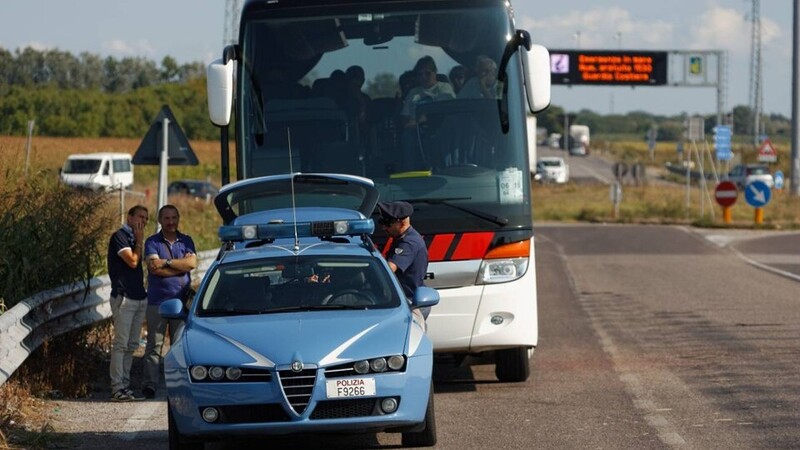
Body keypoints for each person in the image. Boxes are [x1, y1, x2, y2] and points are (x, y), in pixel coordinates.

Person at [143, 205, 197, 399]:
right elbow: (153, 268)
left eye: (174, 217)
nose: (171, 222)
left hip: (181, 302)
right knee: (154, 346)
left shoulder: (186, 240)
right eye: (167, 218)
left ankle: (178, 384)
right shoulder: (152, 242)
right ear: (160, 220)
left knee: (179, 346)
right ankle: (150, 384)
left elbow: (191, 264)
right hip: (157, 301)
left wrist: (166, 262)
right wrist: (179, 267)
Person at [107, 205, 149, 402]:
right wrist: (139, 242)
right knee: (121, 344)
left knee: (132, 344)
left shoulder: (134, 239)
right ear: (129, 217)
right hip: (124, 297)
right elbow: (132, 261)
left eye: (146, 219)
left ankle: (125, 385)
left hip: (139, 296)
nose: (143, 221)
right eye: (140, 217)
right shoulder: (120, 237)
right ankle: (117, 387)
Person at [376, 201, 430, 317]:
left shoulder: (409, 243)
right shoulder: (399, 238)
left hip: (410, 303)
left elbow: (389, 269)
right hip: (404, 300)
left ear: (402, 223)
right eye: (382, 222)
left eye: (387, 223)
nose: (383, 227)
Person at [401, 56, 455, 128]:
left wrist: (423, 119)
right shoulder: (413, 92)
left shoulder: (444, 88)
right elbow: (405, 115)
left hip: (438, 128)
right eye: (420, 74)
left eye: (427, 73)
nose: (424, 77)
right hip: (414, 130)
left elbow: (443, 110)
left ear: (435, 72)